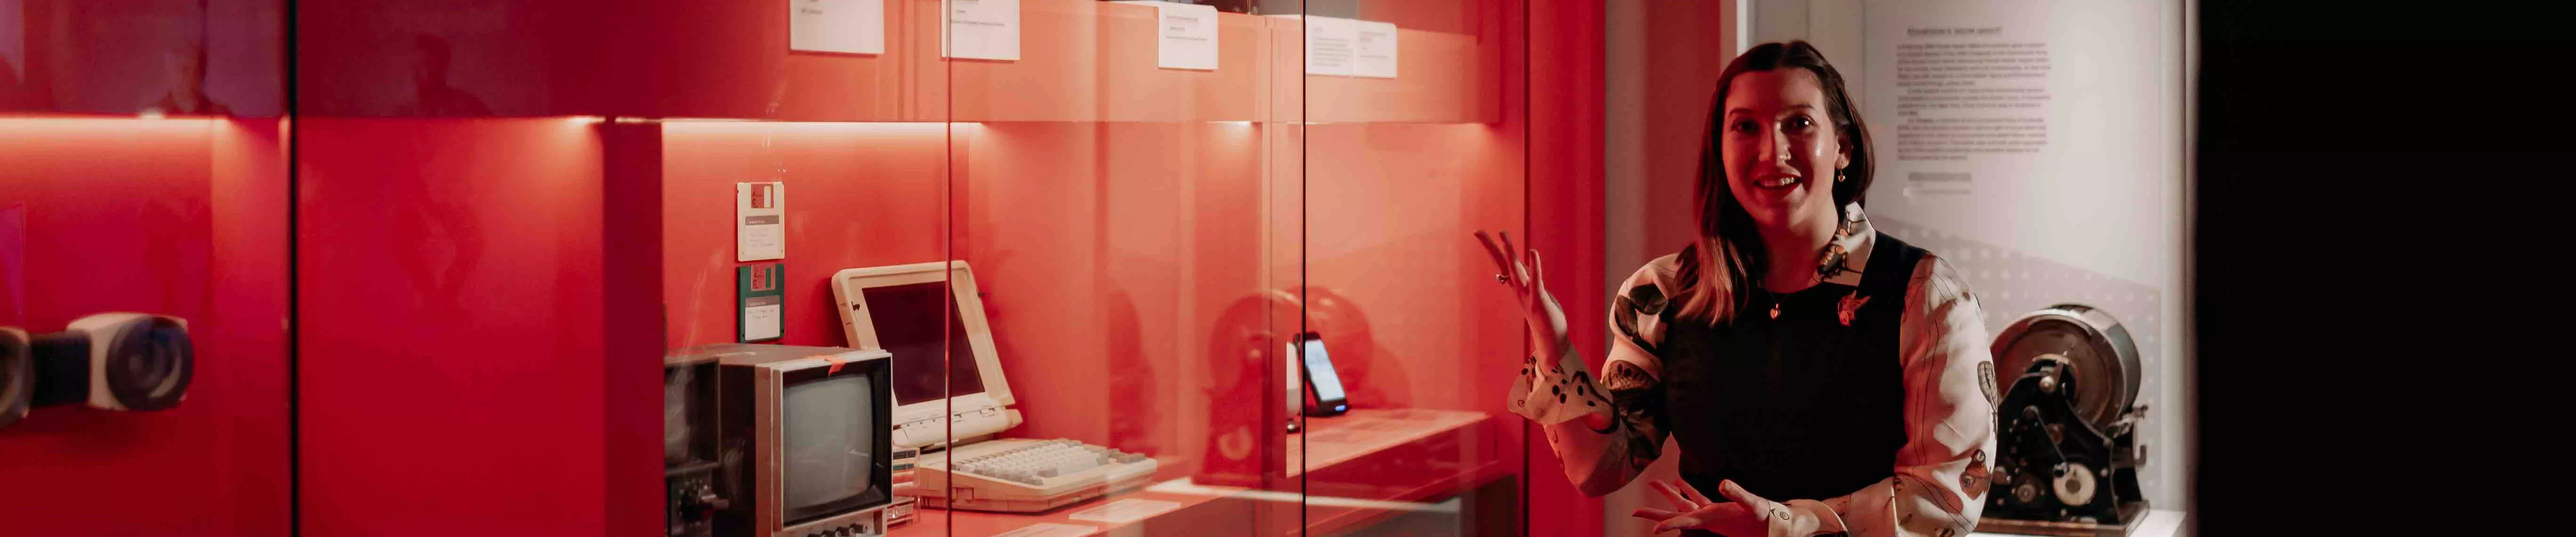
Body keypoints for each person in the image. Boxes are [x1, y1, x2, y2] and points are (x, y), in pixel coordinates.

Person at [1476, 41, 1996, 537]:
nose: (1773, 152)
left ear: (1842, 147)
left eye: (1799, 124)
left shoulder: (1925, 296)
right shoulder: (1661, 293)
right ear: (1720, 150)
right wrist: (1555, 348)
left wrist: (1783, 526)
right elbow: (1600, 469)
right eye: (1746, 127)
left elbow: (1947, 501)